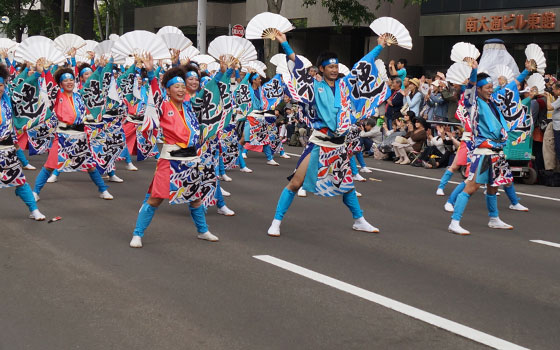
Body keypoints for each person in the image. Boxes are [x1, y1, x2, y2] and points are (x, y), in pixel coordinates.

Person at [267, 32, 388, 237]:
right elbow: (299, 70)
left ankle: (359, 220)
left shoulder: (344, 85)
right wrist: (285, 44)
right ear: (321, 69)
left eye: (336, 66)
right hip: (319, 141)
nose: (334, 70)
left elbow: (362, 66)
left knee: (347, 184)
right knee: (296, 183)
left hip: (339, 144)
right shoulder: (314, 87)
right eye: (330, 67)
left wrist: (379, 47)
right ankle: (276, 221)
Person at [129, 56, 229, 248]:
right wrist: (151, 73)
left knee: (195, 197)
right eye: (177, 86)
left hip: (191, 159)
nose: (182, 89)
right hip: (170, 159)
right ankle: (137, 233)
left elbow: (207, 94)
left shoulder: (190, 106)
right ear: (168, 90)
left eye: (184, 86)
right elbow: (156, 92)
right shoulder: (163, 106)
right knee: (156, 198)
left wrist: (223, 74)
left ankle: (202, 231)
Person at [448, 60, 531, 235]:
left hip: (497, 152)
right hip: (484, 152)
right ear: (479, 89)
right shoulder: (473, 103)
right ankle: (455, 221)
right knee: (471, 187)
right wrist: (474, 70)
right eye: (487, 87)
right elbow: (470, 87)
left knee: (494, 186)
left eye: (492, 86)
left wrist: (526, 72)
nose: (491, 89)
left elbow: (510, 87)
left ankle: (494, 219)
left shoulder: (492, 100)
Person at [30, 61, 113, 201]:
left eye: (71, 80)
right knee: (50, 166)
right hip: (62, 135)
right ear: (60, 84)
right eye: (65, 81)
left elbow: (91, 82)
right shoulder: (57, 96)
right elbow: (50, 83)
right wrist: (42, 71)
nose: (69, 82)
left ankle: (103, 190)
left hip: (79, 136)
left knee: (90, 165)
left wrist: (99, 68)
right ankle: (35, 192)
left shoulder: (80, 95)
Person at [0, 63, 45, 221]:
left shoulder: (8, 99)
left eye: (0, 85)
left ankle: (34, 210)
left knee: (20, 180)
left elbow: (23, 88)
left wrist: (37, 74)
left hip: (6, 149)